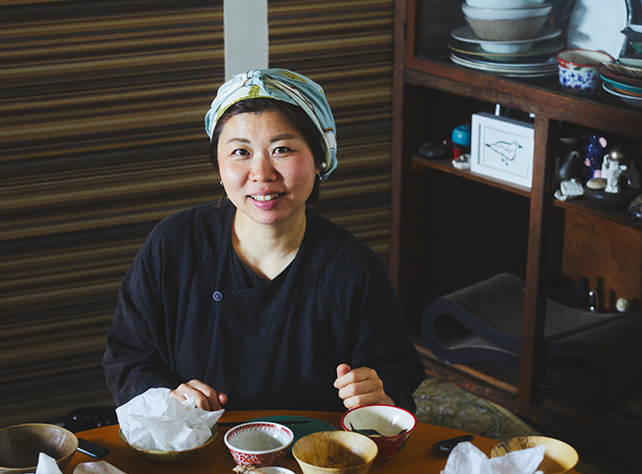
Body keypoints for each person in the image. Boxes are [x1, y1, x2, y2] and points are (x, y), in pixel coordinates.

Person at [103, 68, 424, 414]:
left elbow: (395, 378)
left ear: (320, 159)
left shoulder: (351, 266)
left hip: (311, 458)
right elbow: (127, 359)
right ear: (218, 169)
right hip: (195, 450)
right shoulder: (174, 245)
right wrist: (168, 398)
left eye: (282, 149)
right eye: (240, 152)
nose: (262, 173)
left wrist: (379, 397)